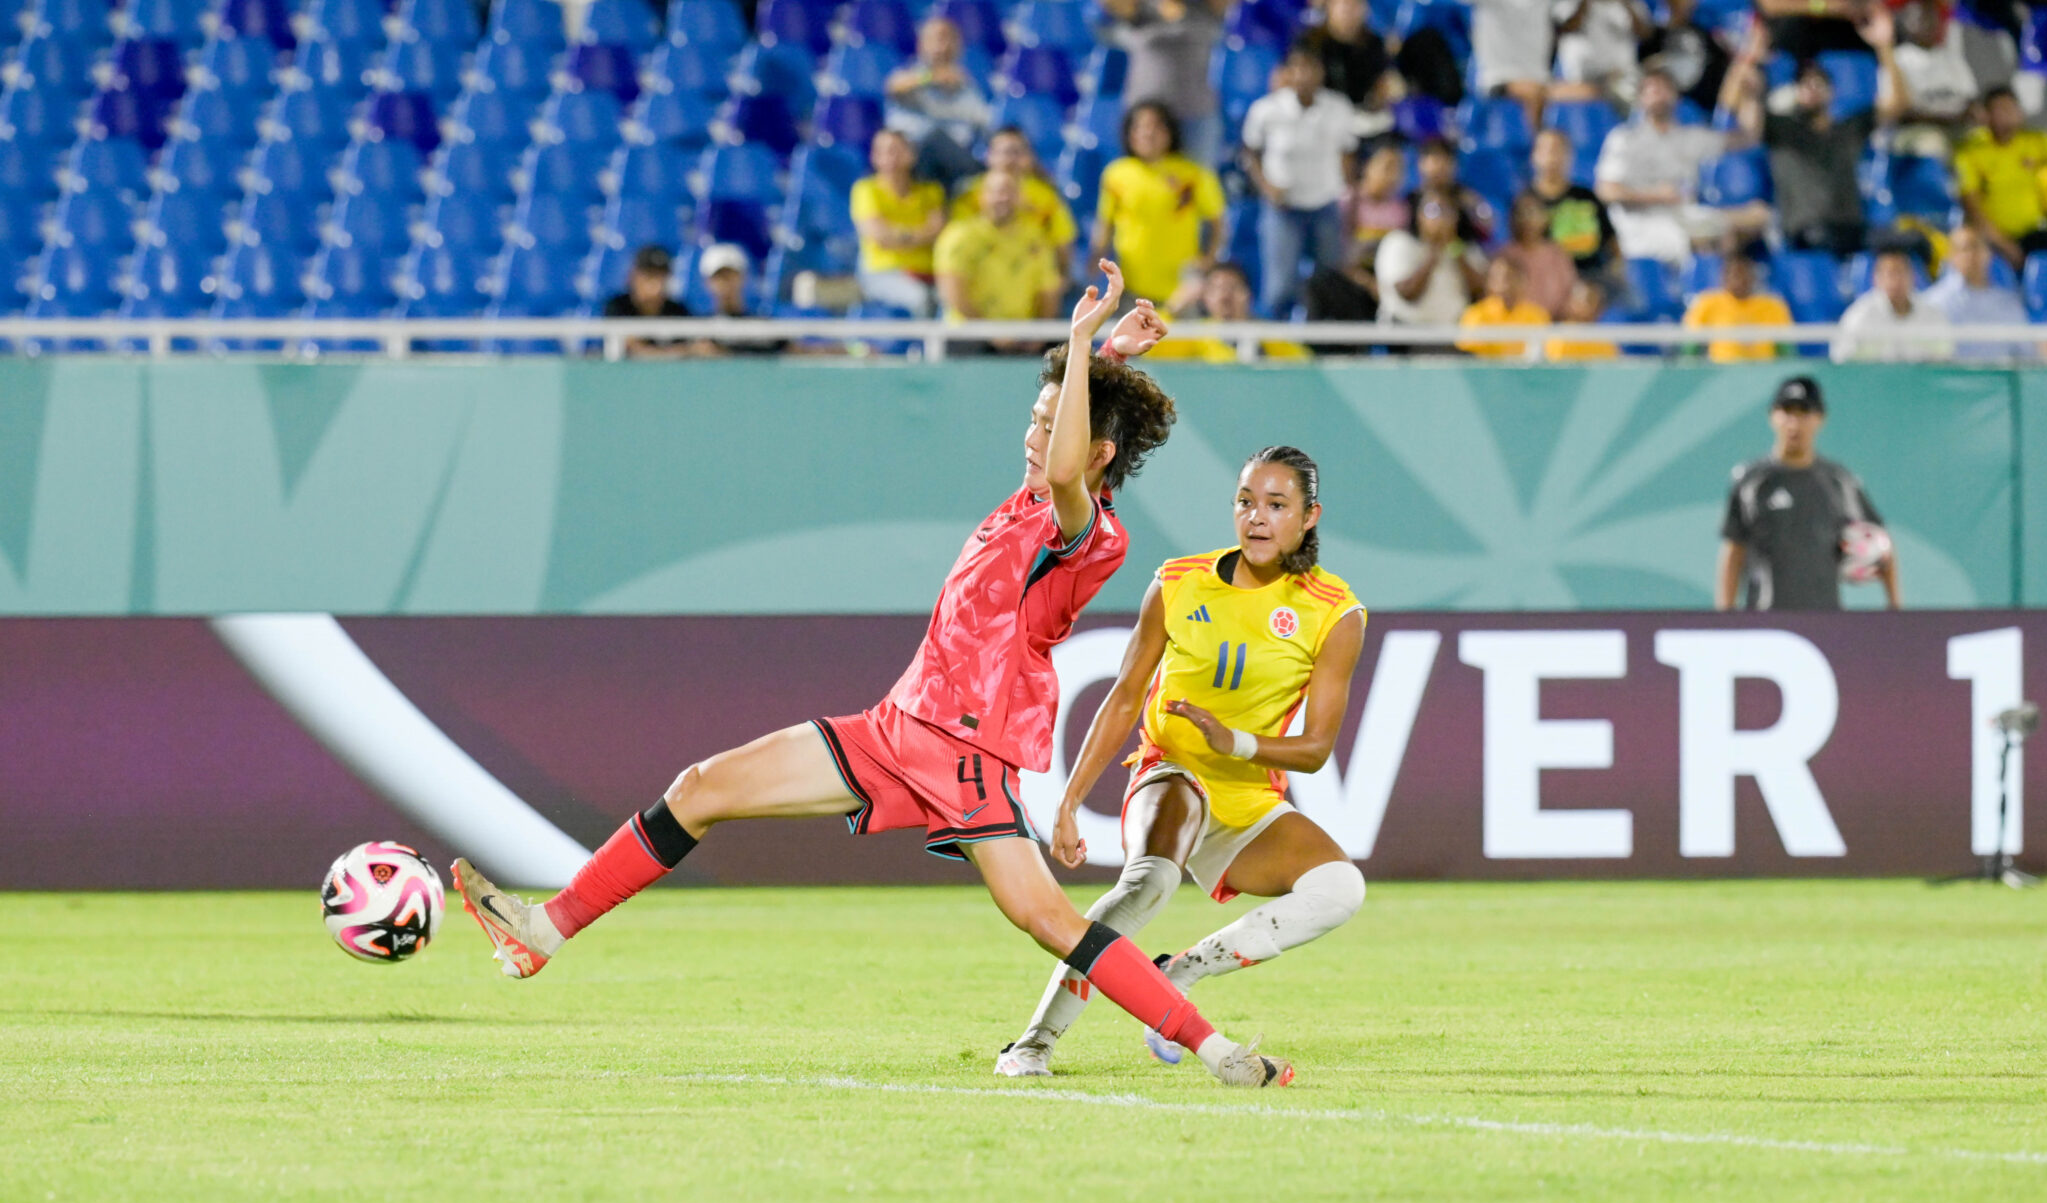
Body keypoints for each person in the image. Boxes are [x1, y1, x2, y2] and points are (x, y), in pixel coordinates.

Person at [451, 264, 1297, 1090]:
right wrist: (1106, 353)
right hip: (894, 730)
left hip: (965, 751)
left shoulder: (1090, 530)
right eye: (1035, 420)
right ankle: (544, 929)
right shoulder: (1026, 502)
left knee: (1053, 922)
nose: (1032, 437)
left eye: (1046, 424)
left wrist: (1083, 343)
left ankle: (1215, 1048)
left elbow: (1075, 465)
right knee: (701, 786)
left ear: (1092, 450)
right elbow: (1073, 448)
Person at [992, 445, 1366, 1078]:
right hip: (1171, 771)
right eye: (1246, 501)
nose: (1257, 517)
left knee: (1341, 889)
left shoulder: (1334, 611)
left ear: (1309, 517)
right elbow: (1126, 694)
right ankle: (1034, 1041)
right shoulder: (1178, 581)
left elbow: (1316, 748)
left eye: (1277, 505)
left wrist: (1238, 745)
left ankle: (1181, 972)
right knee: (1149, 883)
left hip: (1246, 794)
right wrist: (1071, 800)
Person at [1717, 374, 1901, 611]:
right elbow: (1734, 550)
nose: (1794, 423)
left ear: (1820, 418)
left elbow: (1881, 545)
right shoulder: (1751, 481)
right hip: (1765, 618)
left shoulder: (1839, 481)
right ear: (1773, 416)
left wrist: (1895, 607)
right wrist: (1725, 616)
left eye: (1804, 412)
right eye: (1787, 411)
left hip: (1826, 619)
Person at [1725, 14, 1902, 258]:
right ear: (1796, 92)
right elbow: (1730, 104)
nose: (1812, 90)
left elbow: (1896, 106)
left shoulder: (1849, 127)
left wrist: (1885, 48)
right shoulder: (1781, 128)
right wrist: (1750, 55)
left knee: (1911, 243)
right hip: (1806, 232)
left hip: (1853, 229)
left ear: (1832, 91)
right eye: (1805, 84)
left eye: (1818, 83)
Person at [1594, 62, 1766, 264]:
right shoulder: (1624, 139)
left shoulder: (1689, 137)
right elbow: (1606, 190)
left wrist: (1752, 97)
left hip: (1687, 216)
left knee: (1760, 215)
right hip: (1643, 225)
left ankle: (1730, 284)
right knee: (1711, 238)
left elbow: (1746, 138)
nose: (1658, 95)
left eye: (1664, 89)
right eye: (1651, 90)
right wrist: (1656, 195)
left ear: (1676, 95)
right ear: (1641, 99)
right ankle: (1710, 284)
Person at [1240, 43, 1360, 317]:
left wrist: (1346, 189)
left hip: (1325, 204)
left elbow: (1348, 151)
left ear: (1321, 72)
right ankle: (1273, 349)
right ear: (1288, 72)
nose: (1304, 74)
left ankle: (1326, 348)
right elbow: (1250, 151)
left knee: (1331, 281)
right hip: (1284, 208)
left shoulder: (1339, 107)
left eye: (1311, 67)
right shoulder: (1266, 110)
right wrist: (1267, 188)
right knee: (1279, 285)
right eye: (1298, 67)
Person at [1092, 101, 1227, 313]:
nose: (1148, 133)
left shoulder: (1194, 175)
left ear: (1170, 131)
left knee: (1184, 345)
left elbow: (1218, 223)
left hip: (1181, 289)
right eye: (1139, 126)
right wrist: (1095, 261)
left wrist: (1209, 259)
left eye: (1156, 126)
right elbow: (1105, 225)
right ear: (1129, 133)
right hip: (1131, 284)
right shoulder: (1116, 175)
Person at [933, 169, 1063, 350]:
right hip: (970, 332)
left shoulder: (1036, 238)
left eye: (1009, 191)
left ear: (1020, 197)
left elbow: (1049, 292)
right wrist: (991, 333)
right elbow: (953, 293)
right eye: (995, 192)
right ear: (981, 197)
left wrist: (1038, 334)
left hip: (1024, 335)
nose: (1003, 198)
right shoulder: (959, 236)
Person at [1098, 0, 1228, 169]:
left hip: (1196, 115)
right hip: (1145, 117)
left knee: (1195, 184)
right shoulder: (1140, 8)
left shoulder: (1204, 7)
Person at [949, 126, 1079, 280]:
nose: (1010, 159)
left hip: (1031, 279)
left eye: (1017, 152)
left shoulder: (1046, 196)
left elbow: (1063, 243)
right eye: (1003, 152)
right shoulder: (969, 194)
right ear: (989, 156)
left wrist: (1062, 277)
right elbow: (958, 243)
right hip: (982, 276)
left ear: (1029, 157)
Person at [1302, 144, 1410, 325]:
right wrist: (1368, 283)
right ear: (1368, 167)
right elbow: (1336, 255)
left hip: (1384, 280)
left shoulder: (1402, 210)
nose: (1393, 176)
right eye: (1387, 167)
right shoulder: (1348, 202)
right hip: (1350, 278)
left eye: (1398, 169)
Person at [884, 15, 992, 189]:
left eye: (950, 38)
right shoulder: (910, 77)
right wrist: (931, 77)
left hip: (956, 164)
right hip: (914, 161)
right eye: (937, 38)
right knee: (934, 137)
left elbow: (985, 127)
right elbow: (894, 87)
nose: (943, 45)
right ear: (921, 44)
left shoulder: (968, 87)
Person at [852, 128, 946, 318]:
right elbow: (879, 236)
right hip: (882, 274)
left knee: (953, 298)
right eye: (883, 151)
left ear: (911, 154)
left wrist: (898, 236)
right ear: (874, 157)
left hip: (930, 273)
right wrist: (920, 234)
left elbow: (938, 232)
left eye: (896, 149)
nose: (890, 157)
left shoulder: (931, 191)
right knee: (921, 298)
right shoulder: (865, 190)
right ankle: (923, 348)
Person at [1954, 86, 2047, 269]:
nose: (2006, 115)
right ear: (1986, 115)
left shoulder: (2037, 142)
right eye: (1999, 109)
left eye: (2010, 108)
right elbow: (1973, 209)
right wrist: (2008, 247)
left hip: (2036, 233)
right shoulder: (1970, 152)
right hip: (1995, 241)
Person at [1922, 221, 2042, 360]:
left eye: (1977, 247)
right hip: (1953, 378)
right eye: (1965, 249)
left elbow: (2027, 355)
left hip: (1999, 378)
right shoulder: (1933, 303)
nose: (1972, 255)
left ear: (1988, 254)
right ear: (1951, 256)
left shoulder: (2008, 303)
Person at [1148, 260, 1313, 360]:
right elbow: (1154, 353)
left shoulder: (1267, 336)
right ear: (1205, 299)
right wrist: (1174, 308)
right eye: (1217, 289)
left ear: (1248, 295)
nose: (1225, 295)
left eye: (1233, 287)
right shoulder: (1198, 335)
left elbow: (1303, 362)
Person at [1376, 187, 1484, 331]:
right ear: (1419, 215)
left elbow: (1480, 293)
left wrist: (1455, 250)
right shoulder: (1399, 242)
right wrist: (1434, 253)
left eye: (1448, 211)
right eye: (1433, 210)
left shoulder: (1464, 249)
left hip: (1453, 334)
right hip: (1405, 334)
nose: (1441, 217)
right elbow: (1408, 294)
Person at [1883, 0, 1978, 158]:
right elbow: (1900, 113)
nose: (1928, 22)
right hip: (1917, 132)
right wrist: (1948, 119)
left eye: (1932, 17)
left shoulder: (1951, 58)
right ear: (1906, 22)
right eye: (1920, 17)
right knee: (1933, 142)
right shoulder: (1896, 60)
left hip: (1958, 127)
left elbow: (1971, 99)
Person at [1830, 245, 1951, 360]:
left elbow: (1945, 357)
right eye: (1890, 273)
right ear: (1876, 279)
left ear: (1913, 276)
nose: (1896, 280)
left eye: (1901, 272)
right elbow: (1841, 358)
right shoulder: (1859, 316)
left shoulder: (1932, 314)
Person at [1681, 239, 1792, 361]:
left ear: (1754, 276)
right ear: (1724, 277)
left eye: (1745, 274)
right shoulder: (1707, 303)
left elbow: (1787, 351)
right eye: (1736, 275)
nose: (1741, 281)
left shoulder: (1773, 305)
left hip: (1764, 371)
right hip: (1722, 371)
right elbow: (1689, 349)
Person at [1529, 127, 1617, 279]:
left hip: (1593, 276)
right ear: (1534, 156)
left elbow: (1612, 242)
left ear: (1569, 156)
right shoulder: (1527, 202)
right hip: (1548, 278)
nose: (1551, 157)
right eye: (1546, 150)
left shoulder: (1587, 197)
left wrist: (1616, 267)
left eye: (1558, 150)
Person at [692, 243, 790, 357]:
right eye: (719, 277)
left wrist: (724, 353)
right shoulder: (699, 329)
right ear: (707, 282)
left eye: (731, 275)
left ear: (743, 277)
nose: (725, 283)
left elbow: (795, 351)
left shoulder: (763, 326)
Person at [1552, 0, 1655, 106]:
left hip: (1623, 75)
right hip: (1585, 78)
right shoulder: (1570, 3)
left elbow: (1645, 34)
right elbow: (1569, 27)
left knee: (1649, 91)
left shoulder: (1632, 4)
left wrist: (1626, 4)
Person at [1471, 0, 1555, 127]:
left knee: (1586, 91)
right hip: (1498, 79)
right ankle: (1537, 143)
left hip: (1542, 81)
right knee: (1534, 94)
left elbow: (1568, 18)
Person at [602, 244, 692, 359]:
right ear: (633, 276)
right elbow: (631, 347)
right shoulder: (618, 307)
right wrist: (675, 352)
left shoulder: (679, 310)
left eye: (661, 276)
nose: (656, 284)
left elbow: (694, 347)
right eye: (649, 275)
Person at [1498, 190, 1578, 316]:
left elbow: (1569, 290)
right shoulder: (1506, 254)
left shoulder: (1557, 254)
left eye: (1532, 213)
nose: (1527, 219)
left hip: (1554, 324)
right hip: (1517, 323)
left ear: (1545, 217)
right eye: (1521, 214)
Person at [1457, 255, 1551, 357]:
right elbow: (1469, 357)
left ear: (1525, 282)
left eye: (1513, 278)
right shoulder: (1475, 314)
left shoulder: (1538, 315)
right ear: (1489, 283)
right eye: (1500, 279)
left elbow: (1545, 354)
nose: (1506, 285)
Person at [1414, 135, 1497, 246]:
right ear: (1421, 164)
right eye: (1435, 160)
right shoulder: (1412, 200)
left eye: (1445, 160)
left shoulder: (1466, 198)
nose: (1440, 166)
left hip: (1458, 252)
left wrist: (1474, 207)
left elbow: (1488, 227)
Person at [1543, 276, 1621, 358]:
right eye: (1582, 299)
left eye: (1591, 300)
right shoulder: (1559, 336)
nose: (1586, 306)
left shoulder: (1604, 340)